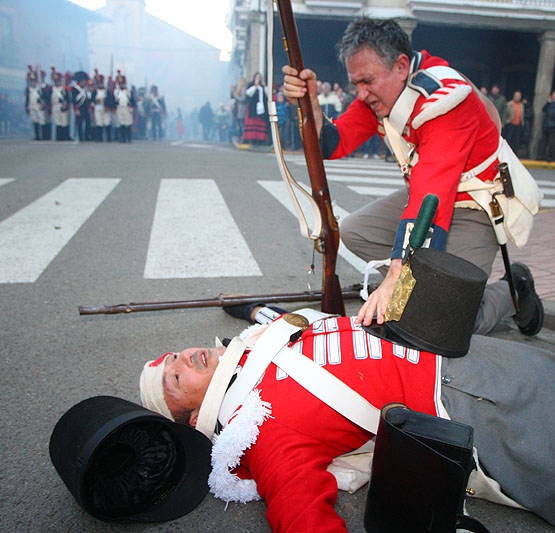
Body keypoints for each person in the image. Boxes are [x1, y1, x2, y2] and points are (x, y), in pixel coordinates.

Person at [139, 280, 554, 531]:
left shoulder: (252, 347)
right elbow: (299, 512)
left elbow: (299, 325)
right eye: (176, 378)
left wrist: (252, 309)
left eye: (176, 354)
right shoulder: (257, 428)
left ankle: (509, 290)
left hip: (453, 350)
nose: (185, 357)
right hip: (467, 401)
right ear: (196, 418)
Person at [281, 18, 543, 338]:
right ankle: (420, 291)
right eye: (356, 83)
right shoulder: (384, 89)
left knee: (448, 325)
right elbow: (335, 143)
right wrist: (309, 106)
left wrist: (397, 277)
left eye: (366, 81)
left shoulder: (446, 100)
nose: (360, 94)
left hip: (474, 205)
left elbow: (431, 196)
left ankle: (511, 289)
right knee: (354, 231)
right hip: (429, 195)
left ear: (401, 66)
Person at [243, 72, 270, 146]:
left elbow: (268, 95)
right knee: (253, 122)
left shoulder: (263, 86)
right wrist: (255, 86)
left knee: (261, 122)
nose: (258, 78)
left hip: (262, 108)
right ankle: (251, 138)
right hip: (253, 108)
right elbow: (248, 93)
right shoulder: (251, 85)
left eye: (259, 77)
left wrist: (265, 87)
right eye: (257, 77)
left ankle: (260, 139)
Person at [90, 69, 113, 142]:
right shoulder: (94, 92)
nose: (100, 85)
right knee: (98, 123)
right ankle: (99, 138)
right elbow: (92, 100)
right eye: (99, 83)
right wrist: (95, 102)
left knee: (107, 122)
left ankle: (109, 137)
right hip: (97, 108)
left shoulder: (107, 92)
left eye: (101, 83)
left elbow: (110, 100)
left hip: (105, 108)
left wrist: (107, 106)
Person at [50, 67, 71, 141]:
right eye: (55, 81)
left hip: (63, 106)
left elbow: (68, 99)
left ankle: (66, 136)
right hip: (55, 106)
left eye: (58, 81)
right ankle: (58, 136)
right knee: (57, 121)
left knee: (64, 121)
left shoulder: (64, 89)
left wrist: (66, 104)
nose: (57, 83)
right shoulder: (52, 89)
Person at [114, 70, 135, 143]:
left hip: (127, 108)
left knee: (128, 123)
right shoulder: (116, 92)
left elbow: (132, 100)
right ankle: (122, 138)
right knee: (121, 123)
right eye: (120, 84)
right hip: (119, 108)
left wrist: (132, 107)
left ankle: (129, 138)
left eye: (122, 83)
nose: (121, 85)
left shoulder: (128, 92)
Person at [71, 71, 91, 142]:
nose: (84, 82)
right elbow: (74, 101)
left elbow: (87, 100)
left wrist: (89, 107)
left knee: (88, 122)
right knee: (79, 123)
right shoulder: (75, 89)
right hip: (79, 108)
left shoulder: (85, 89)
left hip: (85, 108)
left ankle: (87, 135)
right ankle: (80, 136)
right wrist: (76, 109)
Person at [504, 90, 525, 155]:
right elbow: (505, 114)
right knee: (509, 139)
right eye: (517, 96)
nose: (518, 97)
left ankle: (515, 154)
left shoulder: (521, 105)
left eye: (519, 96)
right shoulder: (509, 104)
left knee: (516, 141)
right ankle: (507, 153)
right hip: (511, 124)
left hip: (518, 125)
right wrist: (506, 121)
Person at [539, 90, 555, 162]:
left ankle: (550, 156)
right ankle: (541, 155)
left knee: (551, 143)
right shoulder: (549, 104)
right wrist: (548, 102)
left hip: (553, 127)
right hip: (546, 126)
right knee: (543, 141)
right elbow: (544, 110)